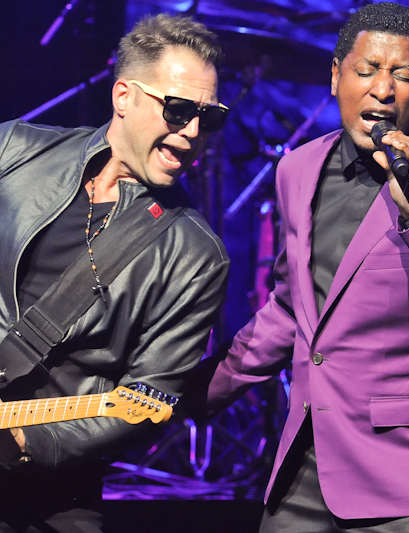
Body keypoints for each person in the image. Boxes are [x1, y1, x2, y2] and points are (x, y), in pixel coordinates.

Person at [200, 2, 409, 531]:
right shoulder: (298, 169)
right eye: (367, 70)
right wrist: (201, 391)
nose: (382, 89)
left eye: (403, 75)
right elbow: (292, 309)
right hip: (308, 466)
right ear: (336, 77)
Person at [0, 14, 230, 532]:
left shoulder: (195, 255)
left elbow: (150, 399)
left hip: (52, 497)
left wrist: (24, 442)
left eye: (208, 118)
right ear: (123, 97)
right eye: (177, 110)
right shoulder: (13, 151)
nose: (192, 132)